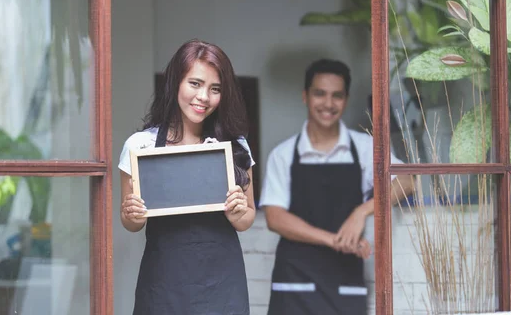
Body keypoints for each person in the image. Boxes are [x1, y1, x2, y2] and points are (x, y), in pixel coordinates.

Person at [260, 59, 412, 315]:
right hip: (294, 282)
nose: (328, 104)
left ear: (346, 99)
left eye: (336, 96)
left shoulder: (365, 147)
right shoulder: (283, 154)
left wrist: (362, 211)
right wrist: (334, 240)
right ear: (305, 96)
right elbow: (275, 218)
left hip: (344, 282)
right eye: (320, 94)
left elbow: (407, 181)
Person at [118, 39, 256, 315]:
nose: (204, 97)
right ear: (175, 83)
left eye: (215, 89)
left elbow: (247, 218)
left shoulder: (235, 146)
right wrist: (132, 214)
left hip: (222, 285)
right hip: (164, 286)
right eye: (195, 83)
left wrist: (238, 211)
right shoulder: (140, 146)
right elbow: (131, 222)